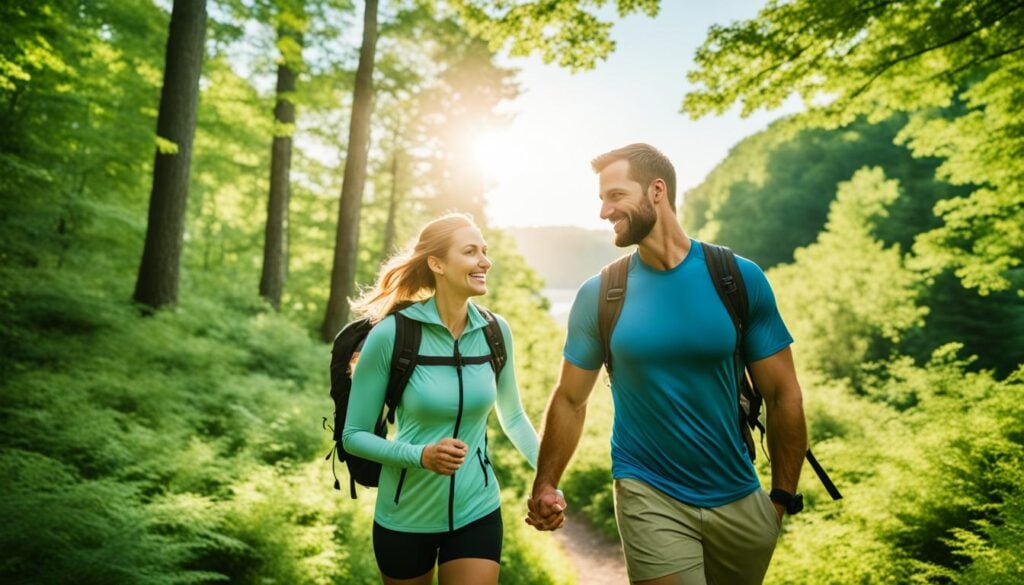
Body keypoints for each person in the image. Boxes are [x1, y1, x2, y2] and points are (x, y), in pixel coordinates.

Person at [526, 144, 808, 585]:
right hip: (648, 491)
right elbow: (569, 398)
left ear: (656, 191)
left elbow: (782, 392)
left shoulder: (738, 278)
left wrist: (780, 500)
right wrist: (545, 483)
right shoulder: (599, 295)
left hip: (741, 499)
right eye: (602, 199)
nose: (604, 211)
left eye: (615, 196)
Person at [343, 213, 540, 585]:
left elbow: (513, 417)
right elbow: (354, 435)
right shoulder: (392, 335)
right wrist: (421, 455)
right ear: (437, 264)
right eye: (470, 252)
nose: (485, 261)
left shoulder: (496, 332)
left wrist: (546, 478)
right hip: (404, 515)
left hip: (477, 509)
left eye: (485, 251)